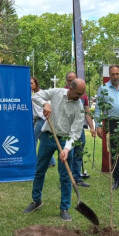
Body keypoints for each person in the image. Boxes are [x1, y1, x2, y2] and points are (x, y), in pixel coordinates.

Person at [23, 78, 86, 221]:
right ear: (70, 88)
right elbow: (35, 96)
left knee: (65, 177)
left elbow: (75, 132)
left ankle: (64, 207)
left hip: (65, 140)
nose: (79, 97)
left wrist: (67, 149)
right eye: (78, 93)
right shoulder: (57, 93)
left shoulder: (79, 107)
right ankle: (36, 200)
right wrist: (45, 103)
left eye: (82, 94)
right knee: (40, 170)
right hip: (47, 137)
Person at [65, 71, 96, 187]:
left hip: (79, 129)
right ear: (66, 81)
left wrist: (92, 127)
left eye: (74, 80)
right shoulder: (63, 93)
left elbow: (86, 111)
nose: (71, 82)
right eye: (69, 80)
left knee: (79, 153)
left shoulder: (83, 94)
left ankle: (77, 178)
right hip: (66, 130)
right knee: (68, 154)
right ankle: (67, 180)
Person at [31, 76, 55, 168]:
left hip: (42, 119)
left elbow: (48, 106)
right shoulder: (32, 95)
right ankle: (51, 161)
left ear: (36, 84)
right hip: (37, 119)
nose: (30, 85)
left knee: (34, 139)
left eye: (32, 83)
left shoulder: (42, 94)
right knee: (44, 141)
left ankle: (33, 161)